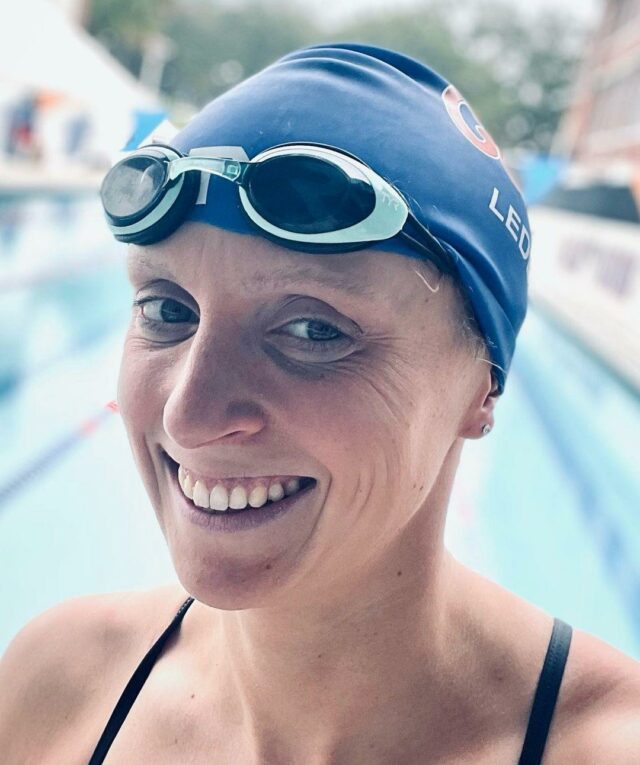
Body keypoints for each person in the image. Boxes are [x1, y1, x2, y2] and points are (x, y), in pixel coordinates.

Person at [1, 42, 638, 765]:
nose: (189, 415)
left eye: (313, 330)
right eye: (166, 310)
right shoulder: (58, 684)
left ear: (481, 385)